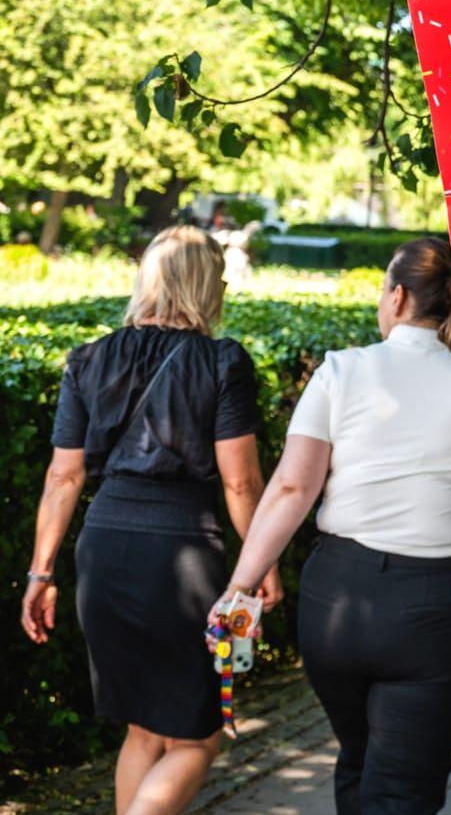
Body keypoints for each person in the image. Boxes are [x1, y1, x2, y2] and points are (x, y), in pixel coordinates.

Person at [211, 237, 451, 814]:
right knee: (401, 790)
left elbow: (292, 488)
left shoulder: (342, 370)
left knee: (360, 758)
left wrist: (240, 587)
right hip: (438, 608)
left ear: (396, 296)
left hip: (337, 601)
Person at [21, 225, 282, 815]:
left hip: (105, 548)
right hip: (182, 554)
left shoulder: (88, 359)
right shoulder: (222, 361)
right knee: (198, 737)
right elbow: (240, 480)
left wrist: (41, 574)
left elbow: (63, 478)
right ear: (204, 287)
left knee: (143, 730)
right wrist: (260, 559)